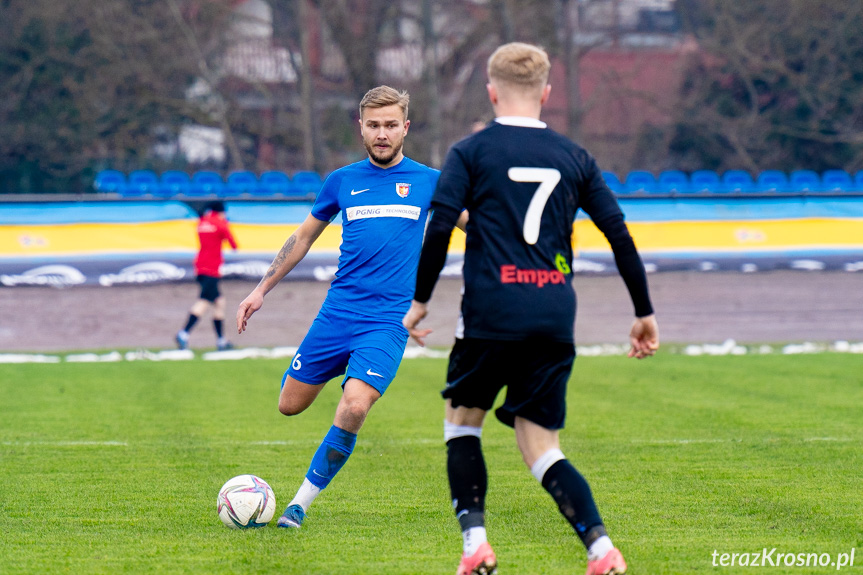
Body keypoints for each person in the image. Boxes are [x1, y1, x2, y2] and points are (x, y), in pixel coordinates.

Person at [402, 42, 659, 575]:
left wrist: (419, 302)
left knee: (462, 424)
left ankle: (475, 546)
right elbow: (619, 236)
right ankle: (600, 549)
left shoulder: (470, 153)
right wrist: (644, 311)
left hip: (492, 313)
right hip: (552, 315)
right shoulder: (575, 156)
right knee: (542, 444)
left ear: (491, 92)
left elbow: (440, 228)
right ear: (546, 93)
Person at [236, 85, 466, 529]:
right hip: (337, 315)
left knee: (355, 406)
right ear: (362, 127)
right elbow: (303, 238)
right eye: (374, 125)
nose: (383, 134)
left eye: (391, 125)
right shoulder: (341, 181)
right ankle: (343, 369)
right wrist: (260, 289)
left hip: (388, 321)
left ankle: (298, 506)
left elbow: (474, 226)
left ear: (406, 128)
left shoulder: (430, 182)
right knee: (289, 405)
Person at [176, 200, 238, 351]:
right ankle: (183, 333)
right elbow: (233, 245)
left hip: (200, 265)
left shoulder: (202, 222)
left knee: (219, 302)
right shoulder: (220, 224)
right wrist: (225, 224)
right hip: (212, 268)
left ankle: (221, 340)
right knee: (204, 301)